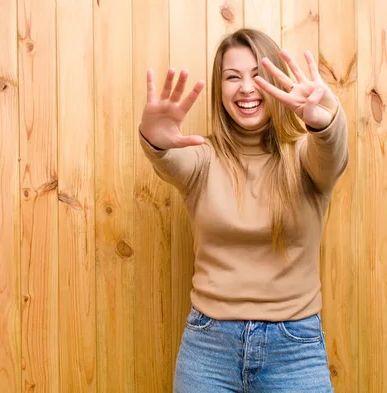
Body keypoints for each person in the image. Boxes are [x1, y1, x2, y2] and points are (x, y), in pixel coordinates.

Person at [138, 28, 347, 393]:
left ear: (274, 85)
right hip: (209, 346)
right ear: (220, 91)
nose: (246, 88)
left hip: (294, 348)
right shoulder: (202, 155)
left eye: (257, 76)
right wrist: (154, 138)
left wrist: (323, 120)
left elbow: (332, 155)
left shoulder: (305, 156)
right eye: (232, 77)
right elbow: (169, 160)